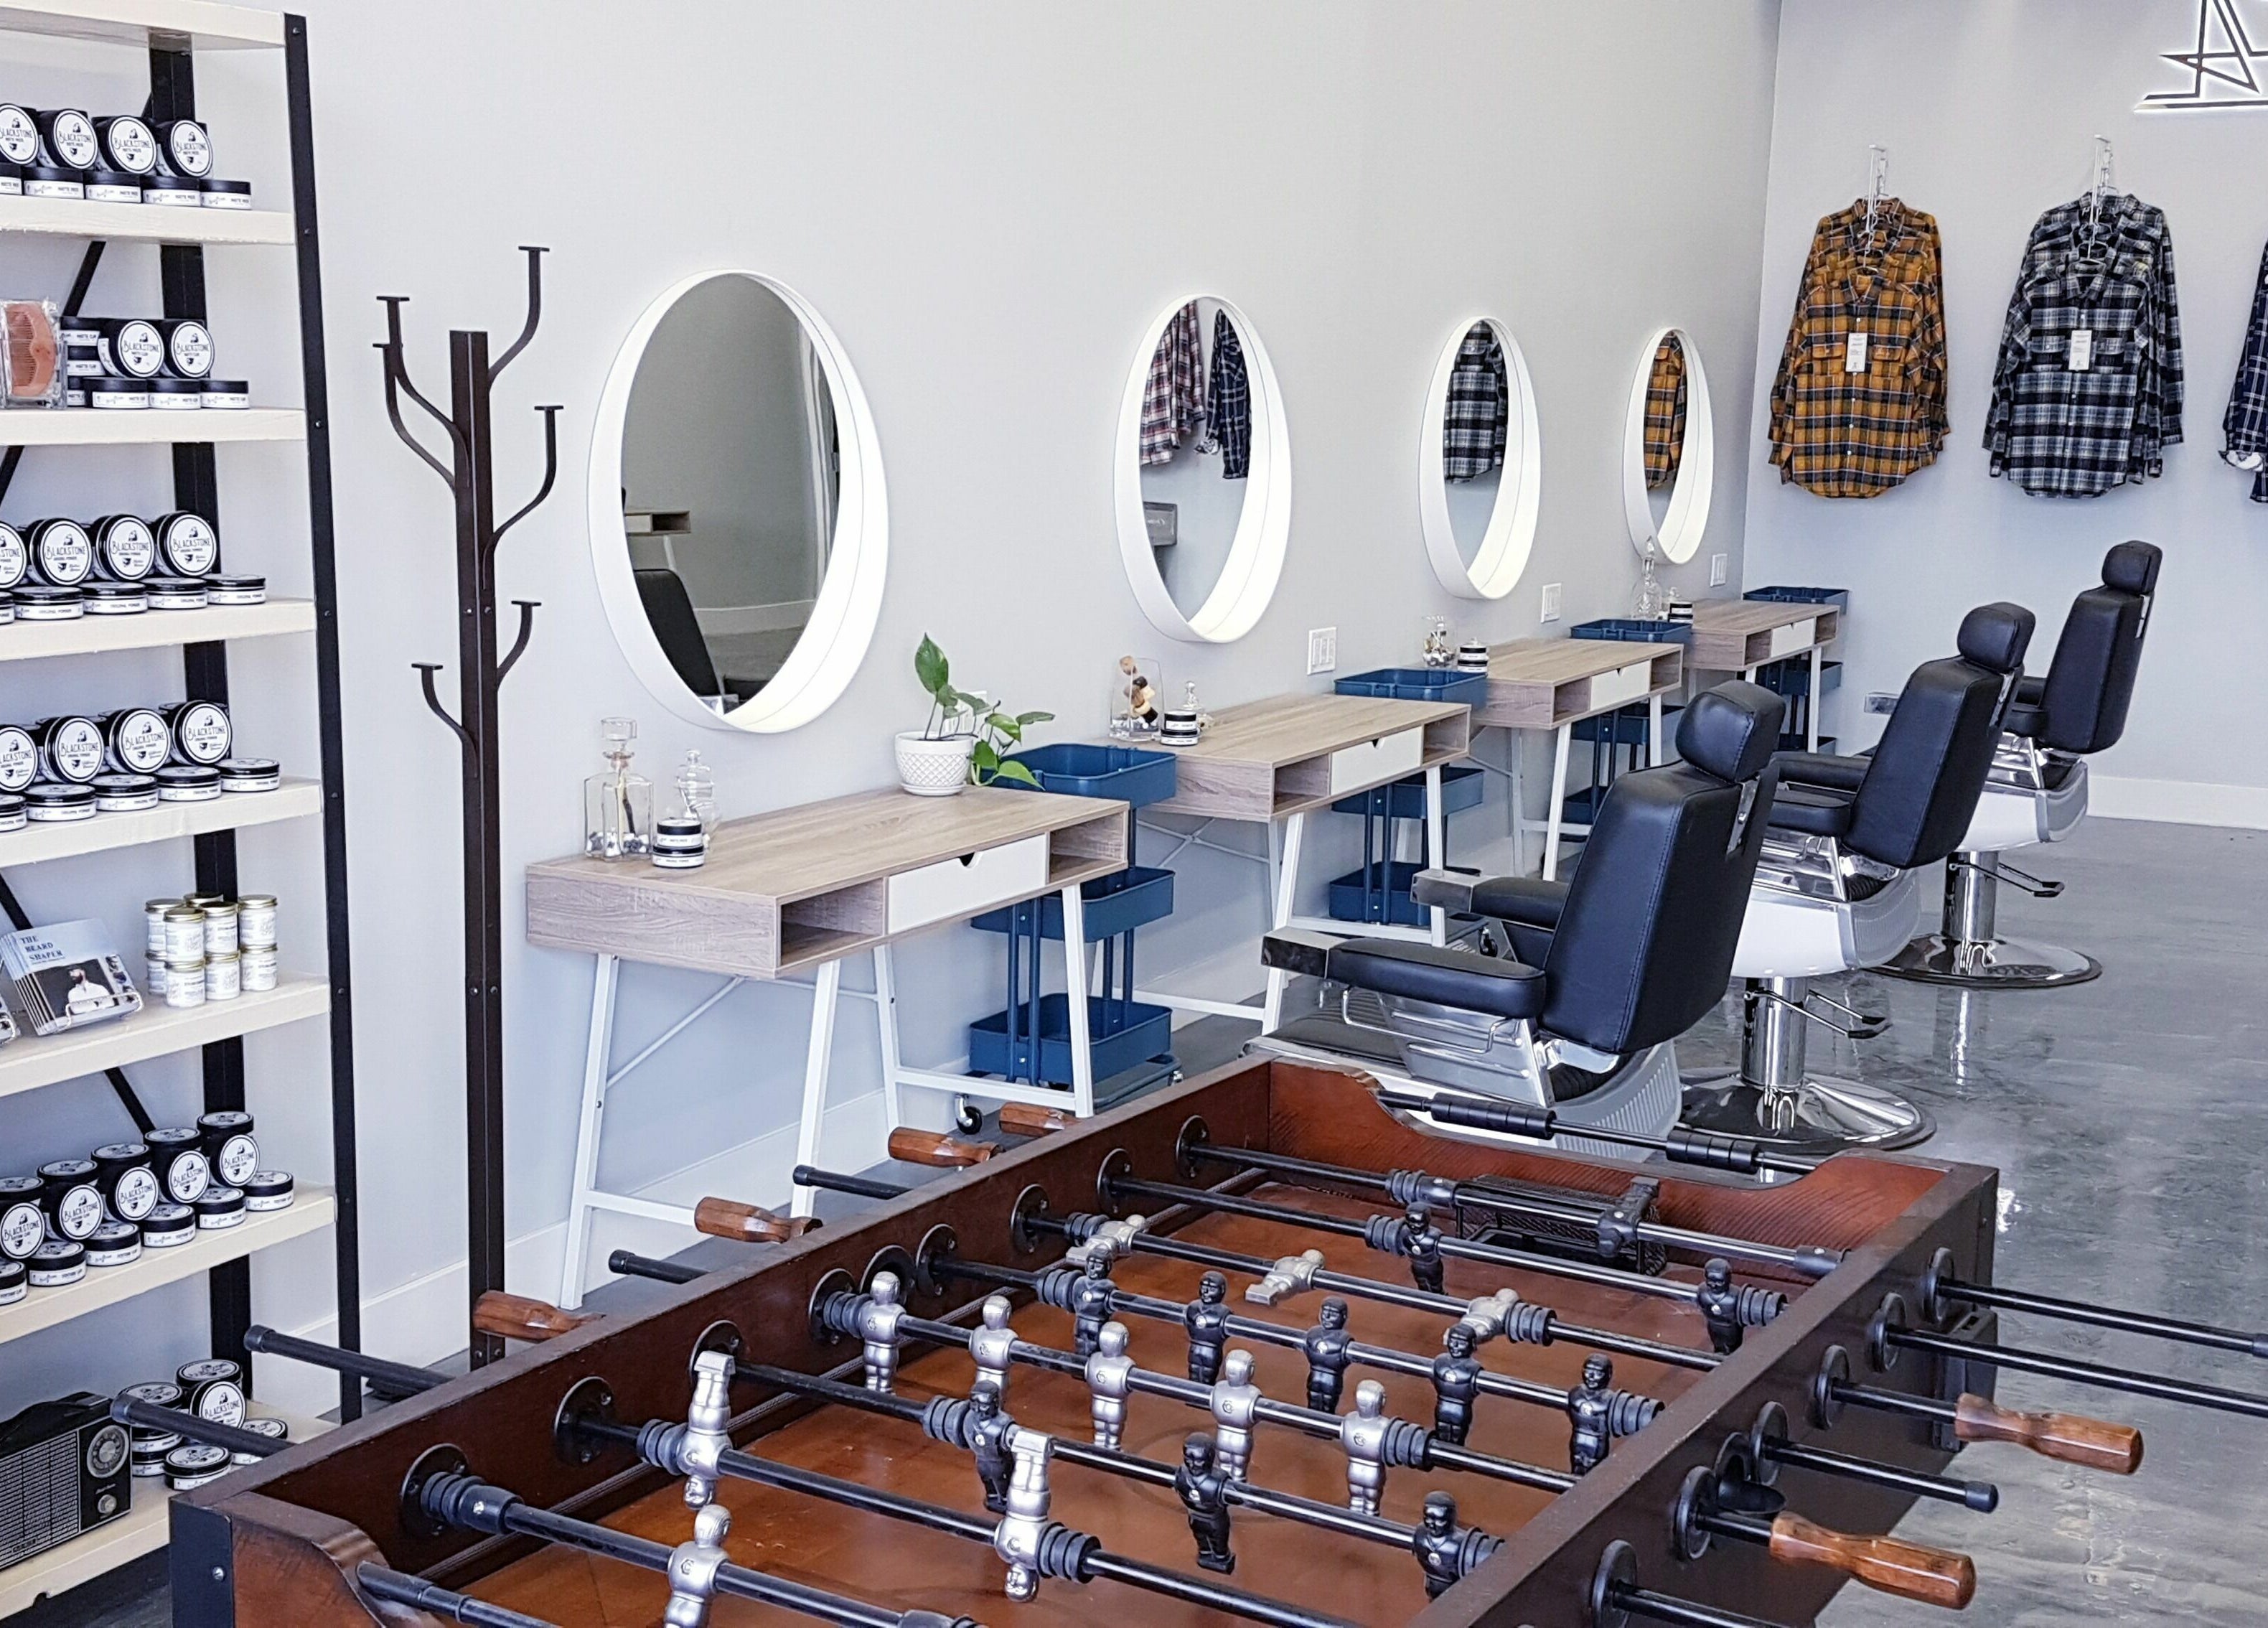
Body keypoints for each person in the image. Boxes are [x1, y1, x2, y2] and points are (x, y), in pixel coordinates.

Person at [1173, 1433, 1235, 1574]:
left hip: (1215, 1520)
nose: (1193, 1464)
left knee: (1219, 1545)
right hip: (1195, 1517)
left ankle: (1220, 1556)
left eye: (1199, 1460)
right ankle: (1206, 1553)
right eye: (1188, 1459)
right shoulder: (1182, 1474)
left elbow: (1238, 1497)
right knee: (1201, 1541)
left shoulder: (1218, 1481)